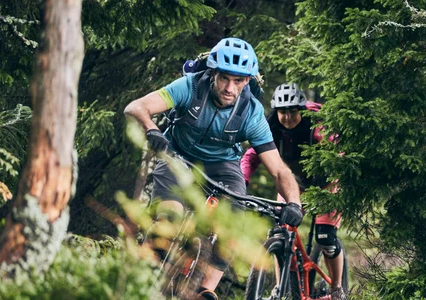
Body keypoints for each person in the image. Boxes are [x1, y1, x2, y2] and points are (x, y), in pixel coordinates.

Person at [124, 37, 303, 300]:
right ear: (213, 73)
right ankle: (144, 277)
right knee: (168, 218)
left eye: (239, 81)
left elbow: (278, 170)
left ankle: (204, 290)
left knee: (231, 231)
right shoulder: (190, 87)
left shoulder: (251, 112)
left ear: (248, 81)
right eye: (224, 78)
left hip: (224, 167)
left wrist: (294, 203)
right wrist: (152, 130)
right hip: (177, 156)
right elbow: (136, 107)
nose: (230, 88)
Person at [240, 83, 346, 300]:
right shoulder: (271, 129)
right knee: (283, 232)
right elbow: (251, 156)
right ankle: (280, 287)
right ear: (276, 112)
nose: (288, 117)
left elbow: (337, 155)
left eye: (292, 111)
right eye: (282, 112)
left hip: (327, 185)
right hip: (294, 185)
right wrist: (243, 182)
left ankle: (337, 289)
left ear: (301, 110)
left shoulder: (316, 128)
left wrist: (334, 182)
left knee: (326, 237)